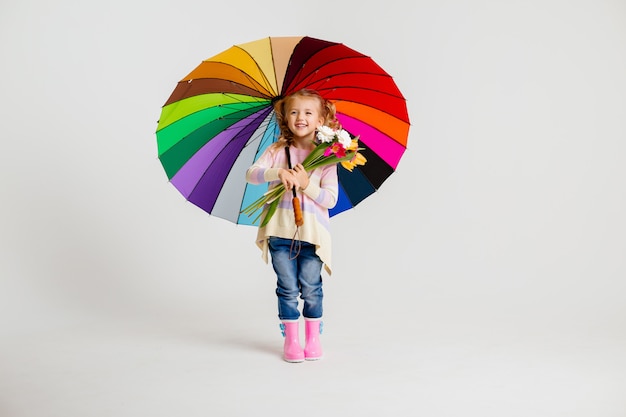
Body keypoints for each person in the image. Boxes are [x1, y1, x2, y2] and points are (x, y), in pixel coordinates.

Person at [245, 89, 340, 363]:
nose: (301, 117)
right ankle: (291, 339)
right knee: (287, 287)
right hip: (280, 230)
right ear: (285, 118)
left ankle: (313, 336)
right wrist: (279, 173)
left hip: (312, 233)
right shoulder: (277, 151)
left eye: (309, 112)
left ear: (321, 119)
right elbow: (251, 174)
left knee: (311, 286)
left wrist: (306, 184)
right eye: (294, 112)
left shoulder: (328, 157)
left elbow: (330, 199)